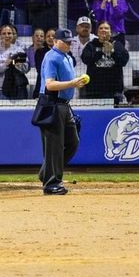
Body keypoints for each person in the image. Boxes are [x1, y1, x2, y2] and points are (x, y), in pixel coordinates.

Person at [37, 28, 88, 195]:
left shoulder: (66, 56)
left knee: (73, 142)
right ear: (56, 41)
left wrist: (73, 83)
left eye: (70, 42)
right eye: (65, 42)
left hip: (64, 104)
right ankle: (51, 183)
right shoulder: (52, 57)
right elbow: (50, 84)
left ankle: (47, 172)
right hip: (52, 104)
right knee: (54, 146)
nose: (68, 44)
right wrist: (73, 83)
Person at [81, 21, 129, 104]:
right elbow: (85, 59)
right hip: (94, 90)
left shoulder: (117, 45)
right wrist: (100, 52)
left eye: (106, 28)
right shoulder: (91, 45)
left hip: (114, 91)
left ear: (111, 32)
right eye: (101, 28)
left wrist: (113, 52)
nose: (103, 30)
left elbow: (124, 61)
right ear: (97, 32)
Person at [0, 24, 26, 102]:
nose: (7, 36)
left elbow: (26, 67)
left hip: (15, 88)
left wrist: (18, 65)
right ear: (0, 35)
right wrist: (5, 65)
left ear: (13, 35)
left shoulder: (19, 50)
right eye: (4, 33)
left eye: (9, 33)